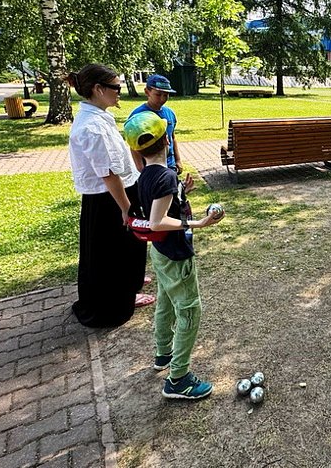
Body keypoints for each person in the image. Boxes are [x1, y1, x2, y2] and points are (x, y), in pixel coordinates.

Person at [124, 111, 225, 400]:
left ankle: (163, 353)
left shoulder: (146, 176)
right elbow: (157, 222)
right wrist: (198, 223)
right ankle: (178, 379)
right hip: (176, 254)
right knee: (190, 310)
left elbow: (160, 205)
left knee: (166, 302)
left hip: (160, 252)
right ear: (167, 140)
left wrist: (181, 191)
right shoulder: (166, 176)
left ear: (138, 150)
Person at [67, 63, 155, 328]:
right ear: (98, 89)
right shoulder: (92, 126)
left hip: (118, 192)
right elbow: (108, 173)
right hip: (110, 198)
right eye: (116, 87)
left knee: (128, 248)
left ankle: (130, 284)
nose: (120, 91)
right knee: (115, 253)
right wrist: (126, 207)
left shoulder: (98, 117)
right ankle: (120, 298)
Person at [128, 74, 183, 174]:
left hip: (170, 166)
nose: (162, 99)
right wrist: (141, 169)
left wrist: (178, 160)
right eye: (158, 94)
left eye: (166, 95)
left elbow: (172, 137)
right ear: (147, 92)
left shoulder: (169, 113)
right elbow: (134, 145)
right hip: (150, 168)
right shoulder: (138, 116)